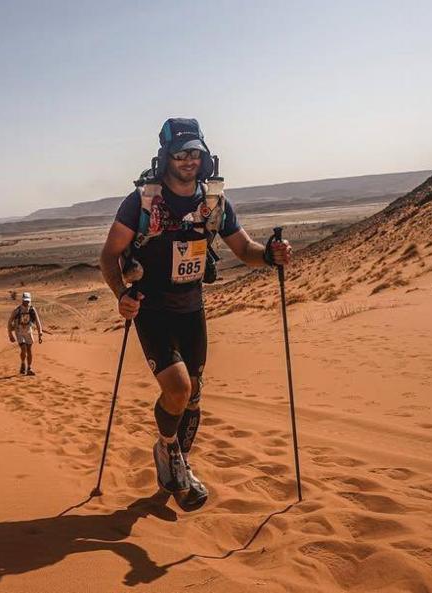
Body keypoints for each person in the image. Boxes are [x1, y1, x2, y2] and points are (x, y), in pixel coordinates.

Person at [98, 118, 292, 511]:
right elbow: (109, 254)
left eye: (195, 153)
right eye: (181, 152)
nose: (189, 159)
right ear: (165, 157)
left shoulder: (214, 203)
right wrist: (121, 293)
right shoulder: (142, 202)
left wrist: (269, 256)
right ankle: (167, 448)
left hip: (192, 309)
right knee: (179, 389)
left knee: (194, 396)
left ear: (205, 157)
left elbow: (244, 249)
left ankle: (179, 463)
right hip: (151, 308)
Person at [7, 292, 42, 375]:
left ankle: (29, 368)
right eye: (25, 301)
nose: (26, 302)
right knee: (23, 349)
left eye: (28, 301)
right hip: (19, 331)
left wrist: (40, 333)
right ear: (22, 300)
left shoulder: (32, 309)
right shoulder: (17, 310)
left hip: (28, 331)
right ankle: (23, 363)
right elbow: (9, 322)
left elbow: (37, 321)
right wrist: (10, 334)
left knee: (29, 350)